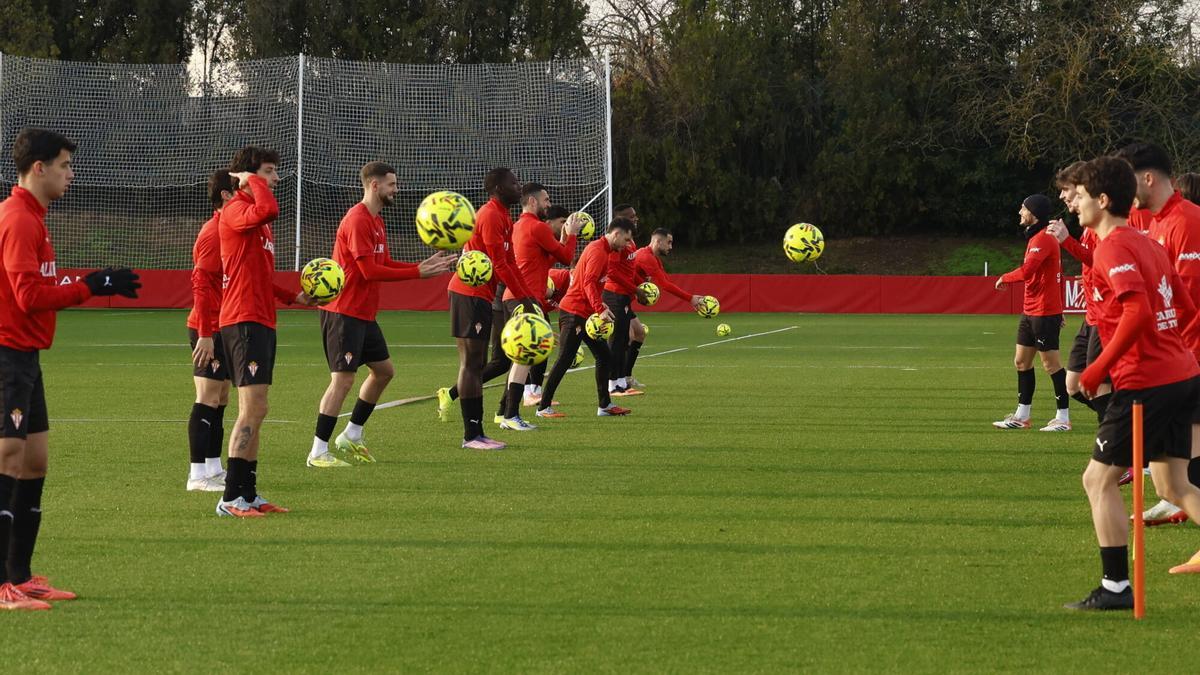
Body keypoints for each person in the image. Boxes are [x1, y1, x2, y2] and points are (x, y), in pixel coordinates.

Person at [0, 128, 140, 609]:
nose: (71, 174)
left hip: (25, 356)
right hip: (7, 354)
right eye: (64, 165)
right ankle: (1, 585)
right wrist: (90, 285)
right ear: (38, 168)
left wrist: (90, 282)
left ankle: (19, 575)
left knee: (34, 461)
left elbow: (39, 287)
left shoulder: (34, 218)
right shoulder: (18, 219)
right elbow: (29, 297)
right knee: (7, 459)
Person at [1064, 155, 1200, 609]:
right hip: (1181, 374)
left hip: (1147, 381)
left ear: (1103, 200)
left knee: (1097, 480)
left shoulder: (1114, 247)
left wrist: (1098, 369)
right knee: (1172, 487)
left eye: (1080, 195)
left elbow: (1139, 312)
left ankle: (1115, 588)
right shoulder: (1148, 241)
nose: (1074, 204)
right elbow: (1181, 307)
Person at [307, 162, 456, 468]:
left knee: (384, 371)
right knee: (343, 381)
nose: (396, 189)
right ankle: (317, 452)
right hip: (342, 312)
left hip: (363, 313)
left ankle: (352, 434)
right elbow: (368, 270)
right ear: (374, 185)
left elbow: (384, 262)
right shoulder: (358, 219)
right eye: (392, 184)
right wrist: (417, 273)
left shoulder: (376, 221)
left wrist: (421, 267)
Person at [216, 145, 316, 517]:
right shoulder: (238, 210)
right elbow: (269, 206)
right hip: (242, 320)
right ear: (250, 176)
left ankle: (249, 493)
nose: (276, 179)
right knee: (251, 409)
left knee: (258, 409)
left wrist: (293, 298)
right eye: (270, 172)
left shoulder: (257, 220)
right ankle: (229, 498)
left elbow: (261, 276)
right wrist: (252, 181)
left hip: (260, 318)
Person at [1112, 142, 1200, 525]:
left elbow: (1190, 303)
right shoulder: (1160, 223)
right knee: (1178, 471)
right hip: (1177, 359)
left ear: (1147, 178)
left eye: (1126, 182)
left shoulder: (1187, 222)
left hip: (1190, 356)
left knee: (1188, 460)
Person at [438, 168, 539, 449]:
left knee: (477, 364)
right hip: (468, 292)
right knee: (472, 365)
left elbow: (510, 262)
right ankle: (472, 436)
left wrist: (527, 297)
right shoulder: (491, 214)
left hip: (481, 294)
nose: (519, 186)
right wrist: (525, 300)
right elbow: (500, 263)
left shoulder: (504, 216)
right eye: (513, 182)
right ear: (496, 187)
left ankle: (477, 433)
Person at [496, 184, 581, 428]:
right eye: (546, 199)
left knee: (519, 358)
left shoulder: (519, 226)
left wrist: (563, 239)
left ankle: (505, 413)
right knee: (524, 356)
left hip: (514, 297)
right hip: (526, 297)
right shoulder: (537, 227)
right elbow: (566, 258)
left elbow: (544, 259)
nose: (548, 204)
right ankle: (510, 415)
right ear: (532, 202)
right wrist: (572, 233)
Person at [536, 218, 636, 419]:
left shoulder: (604, 251)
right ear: (615, 234)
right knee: (564, 359)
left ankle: (604, 405)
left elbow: (590, 283)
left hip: (585, 313)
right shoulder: (599, 251)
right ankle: (543, 408)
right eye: (626, 240)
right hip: (574, 313)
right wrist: (599, 309)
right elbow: (588, 282)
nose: (627, 245)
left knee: (605, 357)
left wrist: (599, 304)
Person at [993, 194, 1070, 431]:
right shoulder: (1038, 237)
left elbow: (1028, 270)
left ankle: (1063, 418)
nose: (1019, 212)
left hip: (1044, 312)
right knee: (1021, 361)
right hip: (1031, 310)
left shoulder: (1043, 239)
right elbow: (1056, 273)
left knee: (1051, 364)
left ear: (1034, 213)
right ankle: (1022, 416)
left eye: (1023, 208)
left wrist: (1004, 278)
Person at [1047, 162, 1112, 425]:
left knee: (1097, 386)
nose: (1063, 196)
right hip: (1091, 317)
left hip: (1105, 316)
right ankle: (1123, 424)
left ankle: (1120, 439)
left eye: (1066, 190)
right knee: (1073, 385)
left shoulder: (1103, 225)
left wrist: (1066, 242)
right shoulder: (1088, 225)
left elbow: (1102, 262)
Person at [185, 170, 236, 492]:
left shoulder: (232, 229)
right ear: (226, 196)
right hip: (209, 328)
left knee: (221, 398)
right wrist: (205, 333)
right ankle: (197, 474)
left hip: (226, 325)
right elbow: (200, 284)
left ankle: (215, 467)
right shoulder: (213, 231)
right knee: (206, 398)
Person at [625, 227, 705, 387]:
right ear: (657, 241)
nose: (671, 247)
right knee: (626, 338)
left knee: (639, 333)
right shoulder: (646, 257)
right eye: (668, 242)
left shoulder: (653, 258)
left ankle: (625, 377)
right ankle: (615, 381)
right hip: (616, 299)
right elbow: (665, 285)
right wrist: (690, 299)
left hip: (625, 301)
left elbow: (666, 280)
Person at [602, 204, 643, 396]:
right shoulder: (617, 244)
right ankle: (611, 384)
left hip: (624, 295)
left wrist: (639, 285)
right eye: (631, 216)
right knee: (617, 339)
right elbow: (612, 273)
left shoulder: (630, 241)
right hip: (614, 294)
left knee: (623, 339)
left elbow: (628, 270)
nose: (635, 218)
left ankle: (621, 382)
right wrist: (635, 288)